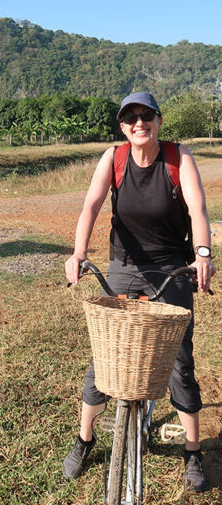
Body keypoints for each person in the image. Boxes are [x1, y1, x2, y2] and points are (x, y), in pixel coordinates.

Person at [63, 92, 216, 492]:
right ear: (122, 126)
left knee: (180, 362)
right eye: (130, 117)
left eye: (146, 115)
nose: (138, 123)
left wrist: (202, 255)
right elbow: (91, 206)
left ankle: (193, 451)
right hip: (126, 266)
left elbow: (198, 210)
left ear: (158, 121)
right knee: (106, 355)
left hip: (172, 267)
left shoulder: (178, 157)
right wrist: (78, 253)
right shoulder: (113, 159)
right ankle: (84, 439)